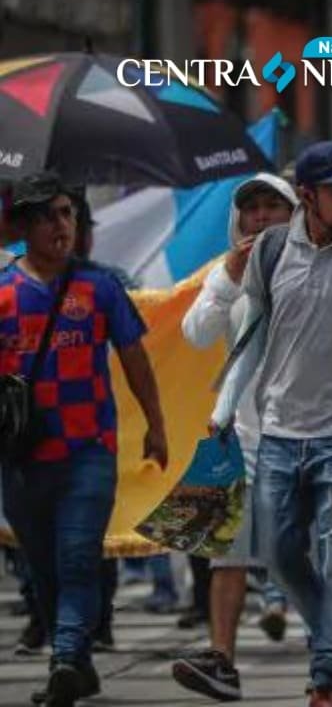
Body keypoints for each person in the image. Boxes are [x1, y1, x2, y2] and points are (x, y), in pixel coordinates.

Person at [213, 141, 332, 707]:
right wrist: (224, 406)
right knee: (282, 557)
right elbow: (255, 332)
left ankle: (329, 676)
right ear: (307, 196)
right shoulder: (270, 250)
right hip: (280, 431)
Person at [0, 174, 168, 707]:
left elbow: (135, 357)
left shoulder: (100, 286)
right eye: (49, 216)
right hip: (21, 457)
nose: (62, 226)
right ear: (24, 225)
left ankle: (66, 659)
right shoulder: (2, 290)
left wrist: (156, 424)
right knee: (41, 565)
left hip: (90, 449)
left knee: (77, 557)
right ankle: (79, 661)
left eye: (68, 214)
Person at [173, 172, 297, 701]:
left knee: (316, 554)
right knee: (227, 555)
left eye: (275, 207)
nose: (263, 217)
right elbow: (197, 333)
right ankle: (221, 660)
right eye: (253, 209)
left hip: (311, 432)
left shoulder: (322, 267)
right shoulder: (225, 272)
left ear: (295, 215)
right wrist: (229, 276)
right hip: (241, 435)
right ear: (238, 219)